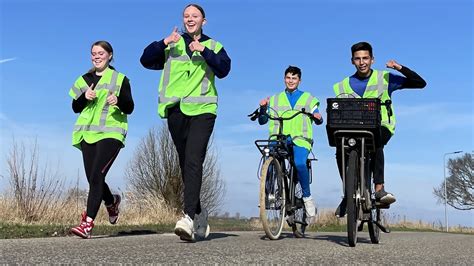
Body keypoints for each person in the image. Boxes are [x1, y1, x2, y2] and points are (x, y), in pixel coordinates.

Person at [140, 3, 231, 242]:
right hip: (176, 110)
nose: (190, 19)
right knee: (185, 163)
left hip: (203, 110)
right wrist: (163, 42)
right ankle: (200, 212)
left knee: (193, 159)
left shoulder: (213, 45)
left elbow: (224, 69)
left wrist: (204, 51)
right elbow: (145, 60)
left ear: (204, 21)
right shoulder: (173, 42)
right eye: (186, 16)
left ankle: (188, 217)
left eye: (195, 16)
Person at [333, 41, 426, 217]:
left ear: (372, 60)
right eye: (358, 59)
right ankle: (348, 192)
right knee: (340, 149)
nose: (362, 62)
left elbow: (420, 83)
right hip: (353, 127)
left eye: (365, 58)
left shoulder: (385, 78)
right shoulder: (342, 85)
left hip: (382, 125)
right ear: (352, 61)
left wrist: (399, 67)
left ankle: (379, 189)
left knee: (375, 141)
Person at [69, 40, 134, 238]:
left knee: (97, 174)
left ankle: (87, 224)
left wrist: (119, 100)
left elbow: (129, 107)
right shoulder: (84, 79)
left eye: (101, 53)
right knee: (94, 178)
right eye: (93, 53)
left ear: (110, 55)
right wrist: (84, 97)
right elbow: (75, 107)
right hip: (87, 134)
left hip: (111, 133)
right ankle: (111, 202)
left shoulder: (120, 79)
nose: (96, 56)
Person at [258, 66, 323, 223]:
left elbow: (318, 117)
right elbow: (262, 121)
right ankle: (270, 194)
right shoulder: (274, 99)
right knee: (269, 156)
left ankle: (307, 197)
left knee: (300, 163)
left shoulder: (308, 98)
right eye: (288, 78)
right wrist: (263, 108)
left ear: (299, 80)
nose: (291, 81)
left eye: (294, 78)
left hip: (301, 139)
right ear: (284, 79)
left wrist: (317, 116)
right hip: (278, 139)